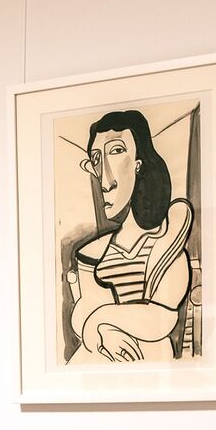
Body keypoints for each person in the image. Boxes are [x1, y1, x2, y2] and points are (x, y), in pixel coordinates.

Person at [66, 110, 196, 363]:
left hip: (150, 362)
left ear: (139, 163)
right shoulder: (93, 252)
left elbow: (162, 318)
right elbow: (84, 308)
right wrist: (100, 333)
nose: (105, 180)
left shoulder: (168, 241)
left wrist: (99, 320)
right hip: (100, 360)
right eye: (96, 159)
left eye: (116, 151)